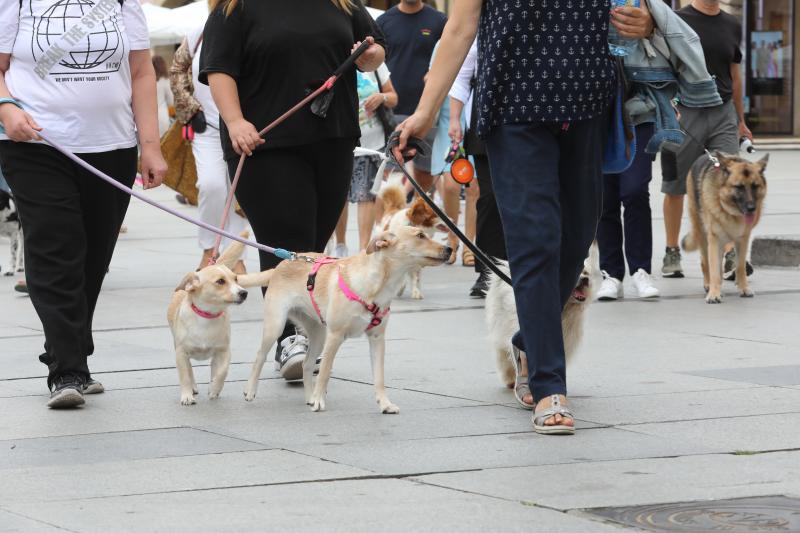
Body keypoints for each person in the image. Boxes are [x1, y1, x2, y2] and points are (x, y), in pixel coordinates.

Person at [395, 0, 638, 434]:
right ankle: (549, 386)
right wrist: (426, 112)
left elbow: (635, 8)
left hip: (587, 106)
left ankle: (528, 342)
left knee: (578, 238)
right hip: (514, 107)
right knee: (535, 239)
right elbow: (460, 28)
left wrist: (649, 20)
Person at [200, 0, 385, 381]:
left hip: (332, 137)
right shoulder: (234, 8)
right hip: (265, 143)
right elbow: (218, 69)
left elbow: (375, 46)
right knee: (289, 240)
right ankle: (289, 338)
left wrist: (368, 56)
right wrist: (234, 121)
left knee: (315, 245)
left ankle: (307, 331)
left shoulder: (342, 4)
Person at [0, 0, 166, 408]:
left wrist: (150, 146)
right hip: (36, 145)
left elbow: (142, 73)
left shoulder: (124, 2)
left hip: (112, 147)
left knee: (93, 257)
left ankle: (69, 347)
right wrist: (5, 107)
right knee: (57, 247)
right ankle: (67, 369)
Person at [660, 0, 752, 279]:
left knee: (726, 180)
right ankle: (672, 250)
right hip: (684, 112)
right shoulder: (675, 19)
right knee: (675, 185)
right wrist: (668, 106)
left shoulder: (732, 24)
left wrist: (741, 119)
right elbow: (663, 67)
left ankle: (728, 253)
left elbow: (734, 75)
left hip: (723, 112)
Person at [170, 22, 249, 273]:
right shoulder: (198, 32)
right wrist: (189, 108)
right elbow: (177, 69)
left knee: (238, 193)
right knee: (211, 185)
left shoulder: (250, 27)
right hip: (209, 129)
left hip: (244, 127)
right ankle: (209, 249)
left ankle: (235, 256)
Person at [448, 39, 506, 297]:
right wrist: (454, 119)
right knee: (490, 198)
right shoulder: (480, 29)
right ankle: (488, 271)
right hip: (484, 122)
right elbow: (461, 78)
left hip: (528, 116)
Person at [377, 0, 446, 195]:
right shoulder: (384, 22)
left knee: (424, 174)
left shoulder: (439, 21)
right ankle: (384, 225)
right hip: (390, 112)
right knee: (385, 177)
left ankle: (419, 221)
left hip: (426, 112)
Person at [333, 63, 398, 256]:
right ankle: (340, 245)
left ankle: (363, 249)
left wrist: (381, 97)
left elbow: (393, 97)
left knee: (367, 195)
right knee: (338, 196)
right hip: (340, 141)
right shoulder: (332, 57)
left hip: (371, 143)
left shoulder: (375, 63)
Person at [153, 56, 173, 137]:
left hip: (147, 120)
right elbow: (171, 101)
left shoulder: (147, 81)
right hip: (162, 117)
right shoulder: (165, 80)